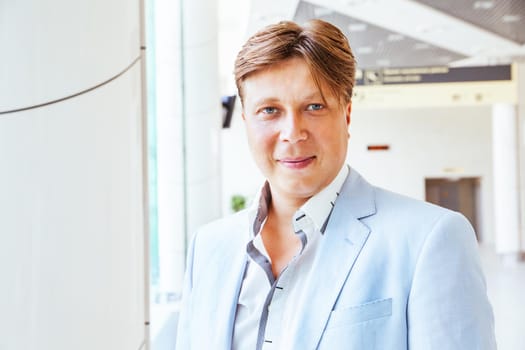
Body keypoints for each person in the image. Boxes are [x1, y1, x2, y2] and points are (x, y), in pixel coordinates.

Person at [176, 19, 496, 349]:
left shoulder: (429, 240)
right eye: (269, 110)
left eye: (314, 107)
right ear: (246, 122)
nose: (293, 132)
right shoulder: (209, 247)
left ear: (346, 115)